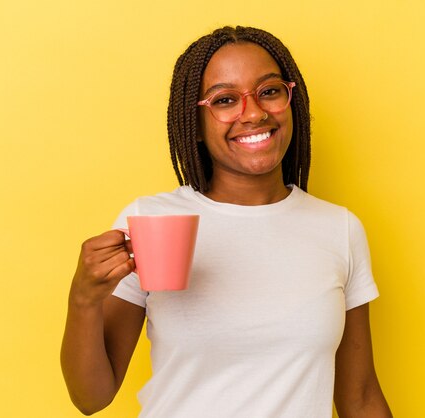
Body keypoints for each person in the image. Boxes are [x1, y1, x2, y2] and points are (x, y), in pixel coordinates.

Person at [61, 26, 392, 418]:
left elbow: (360, 396)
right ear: (196, 123)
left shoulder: (339, 229)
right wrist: (83, 299)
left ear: (291, 101)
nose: (253, 113)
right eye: (225, 100)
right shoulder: (150, 220)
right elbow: (91, 397)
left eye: (269, 91)